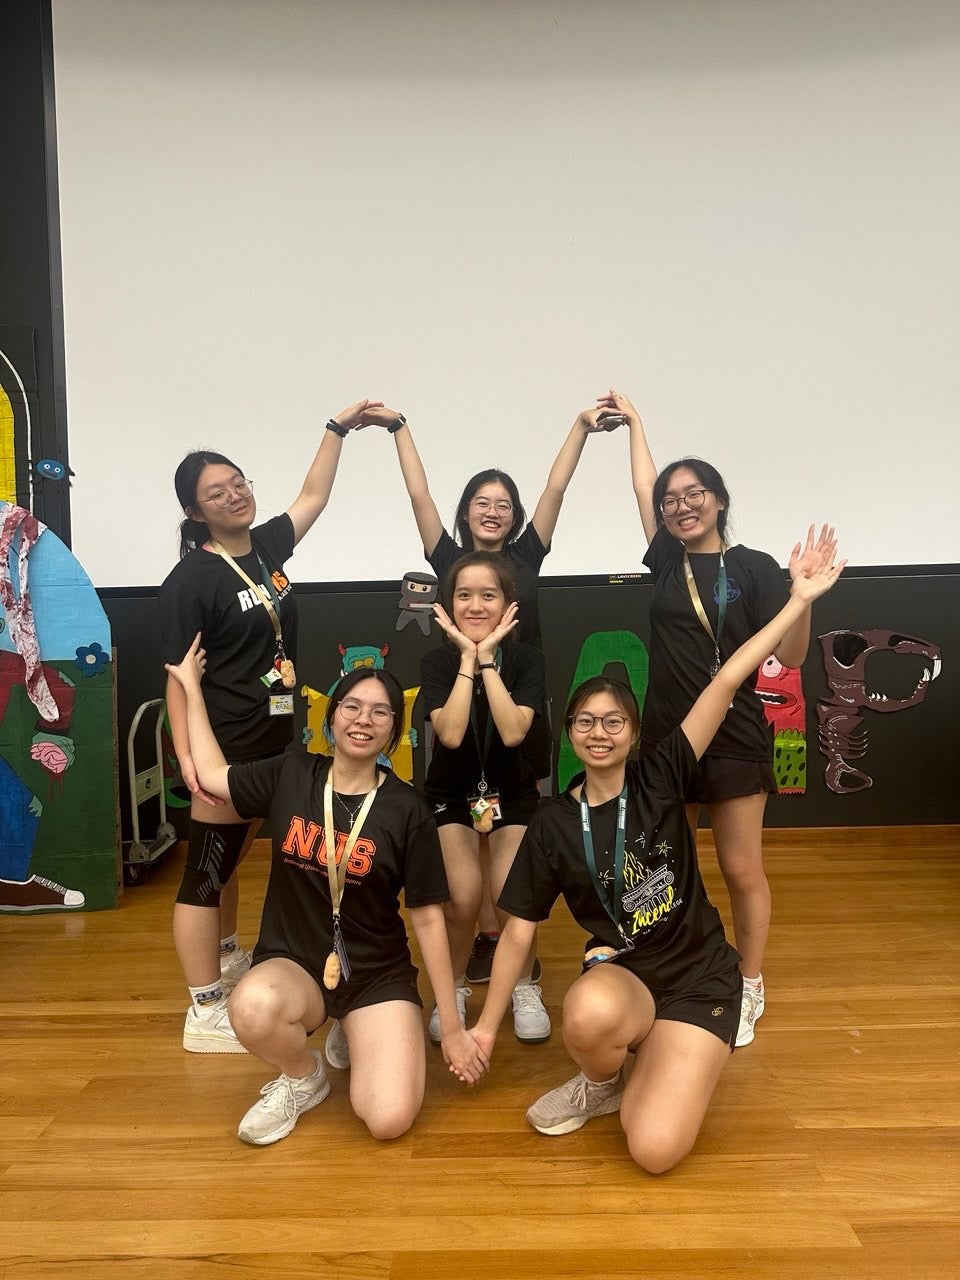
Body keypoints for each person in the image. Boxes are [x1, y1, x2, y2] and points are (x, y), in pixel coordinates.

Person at [463, 549, 843, 1173]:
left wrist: (798, 601)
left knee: (654, 1150)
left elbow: (727, 679)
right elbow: (519, 933)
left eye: (614, 722)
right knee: (587, 1012)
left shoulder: (663, 774)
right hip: (625, 973)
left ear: (635, 734)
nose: (599, 732)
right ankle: (604, 1082)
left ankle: (669, 1054)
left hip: (700, 978)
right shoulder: (554, 821)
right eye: (586, 721)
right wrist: (483, 1028)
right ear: (570, 734)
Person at [164, 644, 487, 1145]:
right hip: (295, 962)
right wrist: (190, 687)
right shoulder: (292, 773)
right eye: (352, 706)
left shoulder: (408, 809)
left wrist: (452, 1025)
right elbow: (211, 774)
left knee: (388, 1119)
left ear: (394, 731)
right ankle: (303, 1077)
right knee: (251, 1006)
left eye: (380, 712)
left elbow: (427, 919)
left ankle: (356, 1026)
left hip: (375, 974)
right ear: (332, 717)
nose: (363, 720)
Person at [601, 388, 835, 1047]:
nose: (681, 504)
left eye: (694, 493)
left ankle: (749, 982)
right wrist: (636, 423)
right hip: (668, 740)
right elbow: (643, 484)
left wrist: (802, 597)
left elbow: (792, 656)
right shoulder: (664, 560)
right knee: (660, 867)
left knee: (739, 868)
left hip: (734, 737)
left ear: (720, 500)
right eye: (671, 499)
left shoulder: (754, 568)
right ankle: (670, 966)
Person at [361, 402, 621, 982]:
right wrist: (400, 429)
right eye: (482, 502)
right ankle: (483, 936)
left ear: (515, 516)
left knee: (510, 832)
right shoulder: (450, 560)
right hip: (459, 705)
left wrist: (579, 428)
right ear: (466, 513)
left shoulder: (527, 556)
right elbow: (419, 495)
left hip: (515, 702)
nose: (493, 512)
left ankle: (511, 946)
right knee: (466, 842)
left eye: (504, 505)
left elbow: (556, 487)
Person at [159, 400, 381, 1052]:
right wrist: (189, 762)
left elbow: (314, 496)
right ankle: (204, 1010)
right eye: (217, 493)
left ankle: (227, 953)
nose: (235, 496)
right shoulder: (190, 581)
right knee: (205, 874)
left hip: (268, 740)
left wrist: (337, 429)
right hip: (221, 749)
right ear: (195, 512)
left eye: (238, 483)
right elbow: (177, 676)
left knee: (230, 862)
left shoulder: (265, 547)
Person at [420, 550, 549, 1044]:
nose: (475, 606)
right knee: (463, 897)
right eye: (464, 595)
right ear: (449, 604)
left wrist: (488, 660)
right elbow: (451, 734)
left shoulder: (527, 660)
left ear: (509, 604)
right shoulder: (436, 661)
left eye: (488, 595)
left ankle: (523, 984)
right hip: (452, 796)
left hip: (512, 792)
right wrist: (465, 660)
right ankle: (452, 989)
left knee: (512, 895)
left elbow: (514, 731)